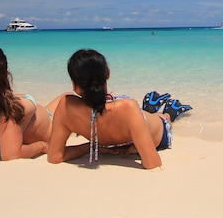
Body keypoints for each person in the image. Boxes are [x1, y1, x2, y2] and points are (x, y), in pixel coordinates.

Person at [47, 49, 192, 169]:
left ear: (74, 85)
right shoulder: (128, 107)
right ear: (108, 74)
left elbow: (54, 156)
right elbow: (153, 163)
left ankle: (162, 112)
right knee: (152, 116)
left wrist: (92, 146)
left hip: (141, 123)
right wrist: (92, 146)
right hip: (150, 129)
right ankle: (165, 112)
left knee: (154, 117)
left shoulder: (65, 108)